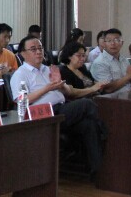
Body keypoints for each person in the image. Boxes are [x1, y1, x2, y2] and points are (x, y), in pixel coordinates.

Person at [11, 36, 107, 175]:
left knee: (89, 125)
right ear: (23, 54)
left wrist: (60, 85)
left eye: (40, 48)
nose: (38, 52)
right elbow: (21, 100)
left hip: (62, 108)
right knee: (87, 104)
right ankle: (107, 131)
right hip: (44, 114)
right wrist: (48, 88)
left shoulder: (48, 69)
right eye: (33, 49)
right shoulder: (20, 74)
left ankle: (97, 172)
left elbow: (68, 92)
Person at [90, 28, 131, 95]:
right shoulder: (100, 62)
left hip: (129, 96)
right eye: (109, 40)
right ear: (104, 43)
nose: (113, 43)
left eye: (116, 40)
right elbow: (107, 89)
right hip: (112, 99)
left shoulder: (124, 60)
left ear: (122, 43)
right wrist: (128, 76)